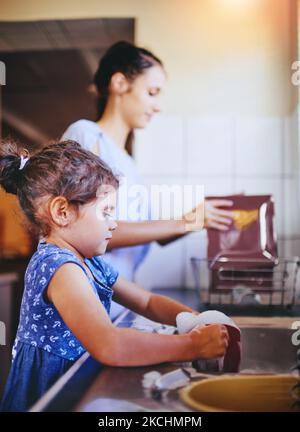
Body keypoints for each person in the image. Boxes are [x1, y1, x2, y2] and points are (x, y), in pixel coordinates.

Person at [0, 139, 229, 412]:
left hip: (75, 387)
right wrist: (192, 345)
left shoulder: (91, 263)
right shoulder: (60, 268)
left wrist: (193, 320)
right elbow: (110, 345)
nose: (114, 223)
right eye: (106, 212)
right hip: (49, 397)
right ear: (62, 212)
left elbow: (147, 302)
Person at [62, 41, 234, 287]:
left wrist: (200, 218)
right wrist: (186, 221)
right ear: (120, 83)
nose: (158, 106)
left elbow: (151, 235)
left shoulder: (129, 163)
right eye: (152, 93)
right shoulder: (87, 135)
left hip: (118, 301)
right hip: (85, 302)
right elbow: (85, 231)